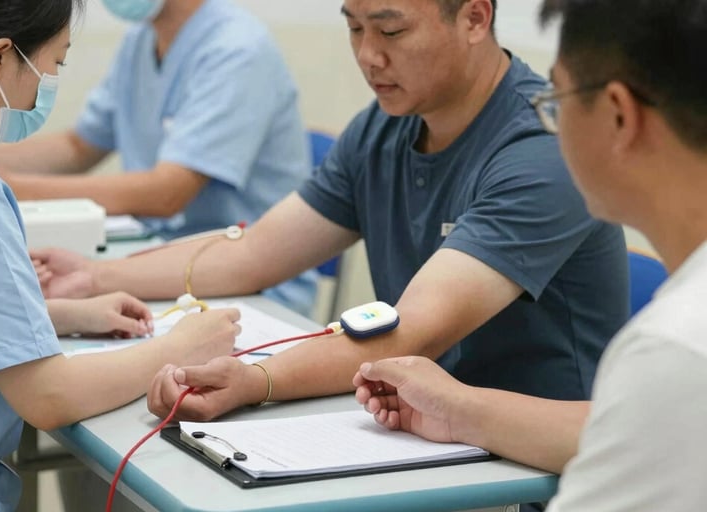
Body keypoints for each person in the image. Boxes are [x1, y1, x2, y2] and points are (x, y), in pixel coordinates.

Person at [36, 0, 628, 432]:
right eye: (353, 27)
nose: (369, 56)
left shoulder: (538, 151)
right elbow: (253, 254)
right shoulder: (385, 126)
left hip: (528, 466)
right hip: (415, 429)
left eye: (391, 30)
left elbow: (413, 329)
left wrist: (258, 380)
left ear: (475, 19)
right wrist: (95, 277)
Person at [354, 0, 707, 509]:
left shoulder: (675, 351)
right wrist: (460, 409)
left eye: (557, 102)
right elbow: (627, 427)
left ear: (617, 115)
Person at [0, 2, 240, 510]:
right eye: (54, 64)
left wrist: (56, 315)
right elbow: (49, 396)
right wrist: (183, 346)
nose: (49, 82)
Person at [0, 0, 317, 316]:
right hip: (155, 257)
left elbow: (167, 193)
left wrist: (8, 187)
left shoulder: (238, 50)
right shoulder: (141, 41)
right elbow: (78, 144)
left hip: (247, 286)